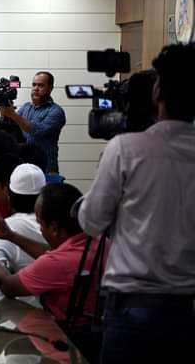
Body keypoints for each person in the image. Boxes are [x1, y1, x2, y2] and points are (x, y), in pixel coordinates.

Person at [77, 43, 195, 363]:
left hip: (132, 306)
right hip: (187, 311)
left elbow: (91, 222)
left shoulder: (126, 148)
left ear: (158, 92)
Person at [0, 183, 108, 363]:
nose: (40, 229)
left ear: (54, 228)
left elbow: (8, 286)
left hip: (68, 347)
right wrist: (11, 236)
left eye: (40, 223)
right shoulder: (99, 243)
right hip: (99, 341)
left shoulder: (58, 263)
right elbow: (54, 253)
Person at [0, 72, 65, 174]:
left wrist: (13, 114)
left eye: (41, 85)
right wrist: (5, 113)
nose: (36, 88)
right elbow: (12, 127)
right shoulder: (26, 107)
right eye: (34, 85)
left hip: (46, 169)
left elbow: (37, 131)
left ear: (50, 88)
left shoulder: (56, 111)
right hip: (23, 167)